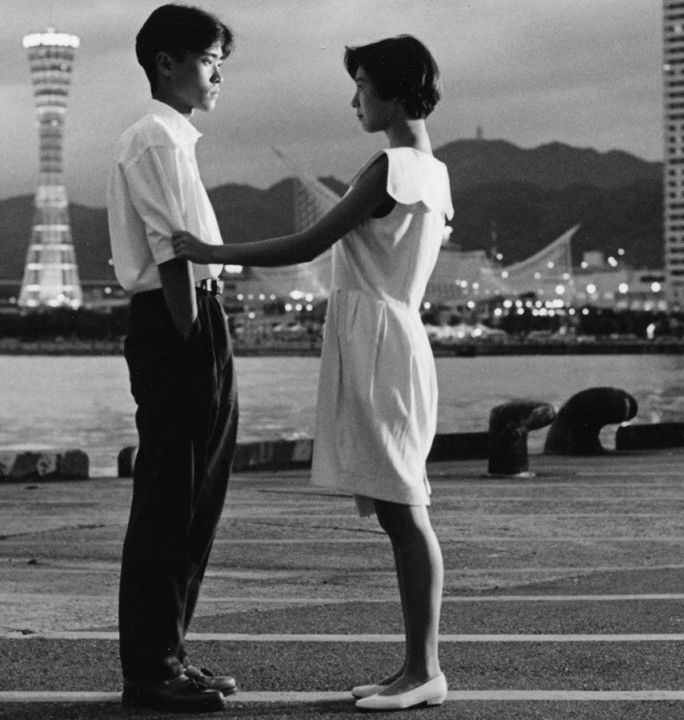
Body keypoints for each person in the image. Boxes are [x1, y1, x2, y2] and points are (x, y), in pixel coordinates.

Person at [173, 34, 452, 712]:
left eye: (361, 86)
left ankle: (425, 671)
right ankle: (414, 667)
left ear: (392, 93)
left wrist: (208, 250)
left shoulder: (388, 167)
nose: (354, 100)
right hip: (397, 337)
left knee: (405, 510)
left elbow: (308, 243)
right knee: (401, 508)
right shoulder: (434, 170)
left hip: (378, 343)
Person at [106, 4, 239, 713]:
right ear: (167, 62)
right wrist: (195, 340)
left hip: (192, 316)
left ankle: (171, 654)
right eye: (210, 59)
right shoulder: (154, 137)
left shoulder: (174, 138)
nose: (218, 74)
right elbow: (173, 250)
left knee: (196, 498)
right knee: (171, 497)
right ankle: (152, 668)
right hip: (177, 320)